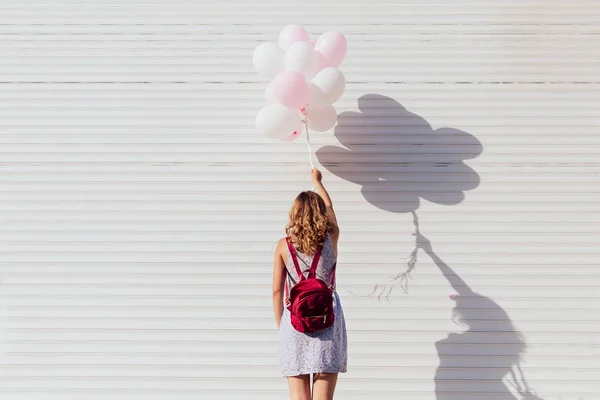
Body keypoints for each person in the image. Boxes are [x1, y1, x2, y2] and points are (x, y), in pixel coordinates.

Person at [272, 168, 348, 400]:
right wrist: (318, 182)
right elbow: (331, 209)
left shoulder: (283, 246)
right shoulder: (330, 238)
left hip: (295, 324)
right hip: (327, 321)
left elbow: (276, 291)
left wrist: (283, 326)